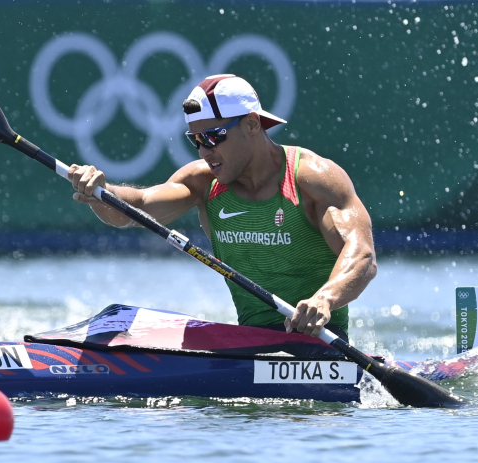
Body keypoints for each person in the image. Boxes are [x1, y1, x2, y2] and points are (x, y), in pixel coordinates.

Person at [68, 74, 376, 338]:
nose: (204, 152)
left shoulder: (313, 179)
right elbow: (137, 208)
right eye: (196, 140)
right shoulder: (202, 182)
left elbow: (362, 256)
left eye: (213, 137)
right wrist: (102, 192)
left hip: (319, 341)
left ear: (252, 124)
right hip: (250, 342)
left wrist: (324, 299)